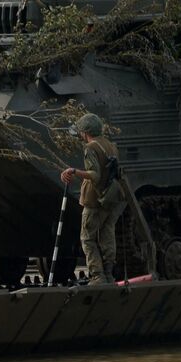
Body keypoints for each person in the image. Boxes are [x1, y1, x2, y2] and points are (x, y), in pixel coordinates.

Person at [60, 113, 121, 284]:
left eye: (80, 132)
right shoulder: (111, 146)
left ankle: (97, 275)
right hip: (110, 199)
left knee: (87, 238)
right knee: (107, 236)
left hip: (94, 200)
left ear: (86, 132)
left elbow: (94, 175)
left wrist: (74, 171)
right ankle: (108, 273)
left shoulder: (91, 148)